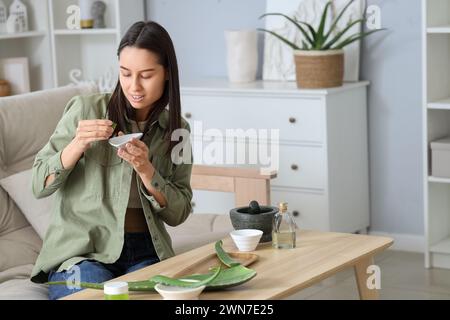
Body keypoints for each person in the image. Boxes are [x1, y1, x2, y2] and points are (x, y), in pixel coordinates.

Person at [29, 21, 193, 300]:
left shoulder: (179, 130)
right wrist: (77, 144)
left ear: (166, 73)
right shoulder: (85, 109)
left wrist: (147, 170)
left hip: (146, 251)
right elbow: (38, 185)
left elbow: (179, 213)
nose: (134, 86)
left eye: (146, 75)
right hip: (82, 254)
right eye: (125, 74)